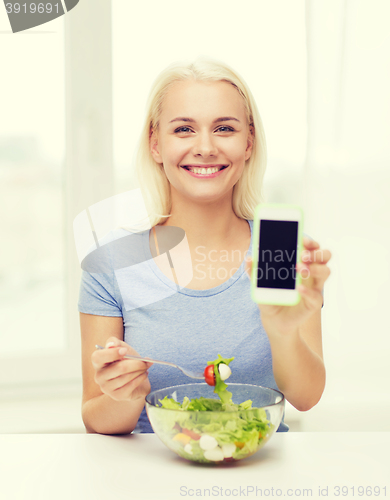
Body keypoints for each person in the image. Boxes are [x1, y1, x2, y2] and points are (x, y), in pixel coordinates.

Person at [78, 58, 332, 435]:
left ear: (248, 143)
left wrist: (282, 332)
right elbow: (95, 418)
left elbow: (306, 397)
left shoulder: (280, 249)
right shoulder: (113, 262)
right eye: (183, 129)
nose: (205, 147)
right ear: (155, 144)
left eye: (224, 128)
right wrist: (126, 394)